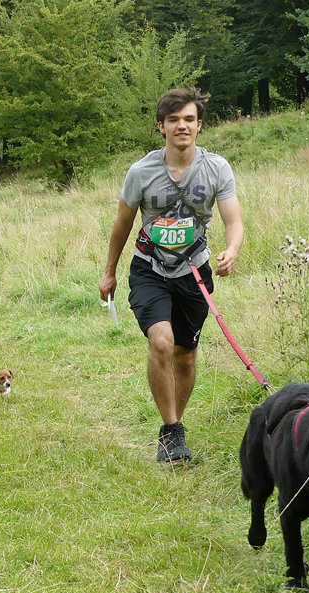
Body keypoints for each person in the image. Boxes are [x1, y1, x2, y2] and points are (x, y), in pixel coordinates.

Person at [98, 88, 245, 463]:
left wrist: (231, 250)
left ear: (200, 125)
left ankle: (174, 426)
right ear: (161, 126)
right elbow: (122, 224)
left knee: (185, 356)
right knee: (162, 343)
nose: (182, 126)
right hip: (149, 267)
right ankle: (171, 429)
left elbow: (233, 220)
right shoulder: (141, 172)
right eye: (174, 119)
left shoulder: (217, 168)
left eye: (189, 119)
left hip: (194, 271)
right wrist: (109, 272)